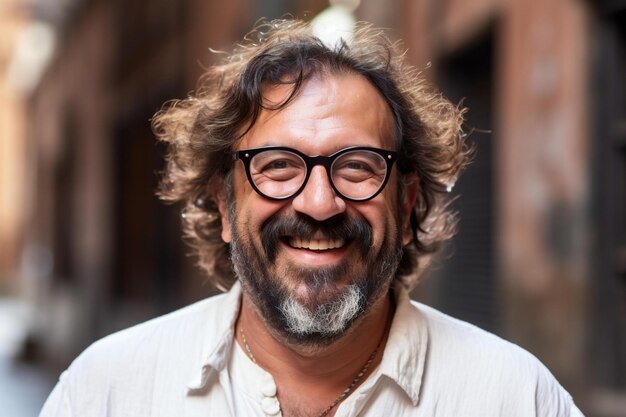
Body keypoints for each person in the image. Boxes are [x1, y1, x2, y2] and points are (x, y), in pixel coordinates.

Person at [40, 19, 584, 417]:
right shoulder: (107, 391)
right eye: (277, 166)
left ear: (407, 199)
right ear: (225, 205)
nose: (320, 204)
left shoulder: (514, 397)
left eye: (357, 167)